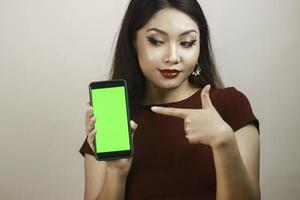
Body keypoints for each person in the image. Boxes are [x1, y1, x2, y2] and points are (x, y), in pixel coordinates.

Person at [80, 0, 260, 199]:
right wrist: (117, 172)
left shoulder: (230, 105)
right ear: (133, 41)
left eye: (186, 43)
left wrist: (224, 143)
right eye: (156, 41)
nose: (173, 57)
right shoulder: (112, 117)